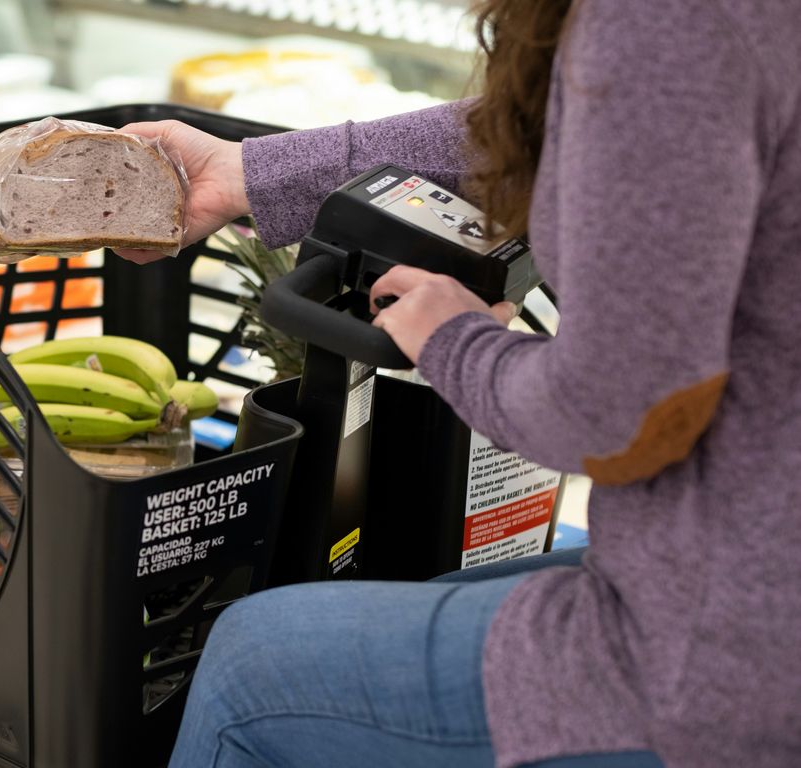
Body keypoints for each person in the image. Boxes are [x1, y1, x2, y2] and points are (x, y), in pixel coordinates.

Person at [117, 0, 801, 766]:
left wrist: (455, 343)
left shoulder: (666, 21)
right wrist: (251, 173)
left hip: (730, 662)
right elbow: (591, 121)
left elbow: (621, 417)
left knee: (251, 666)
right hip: (737, 571)